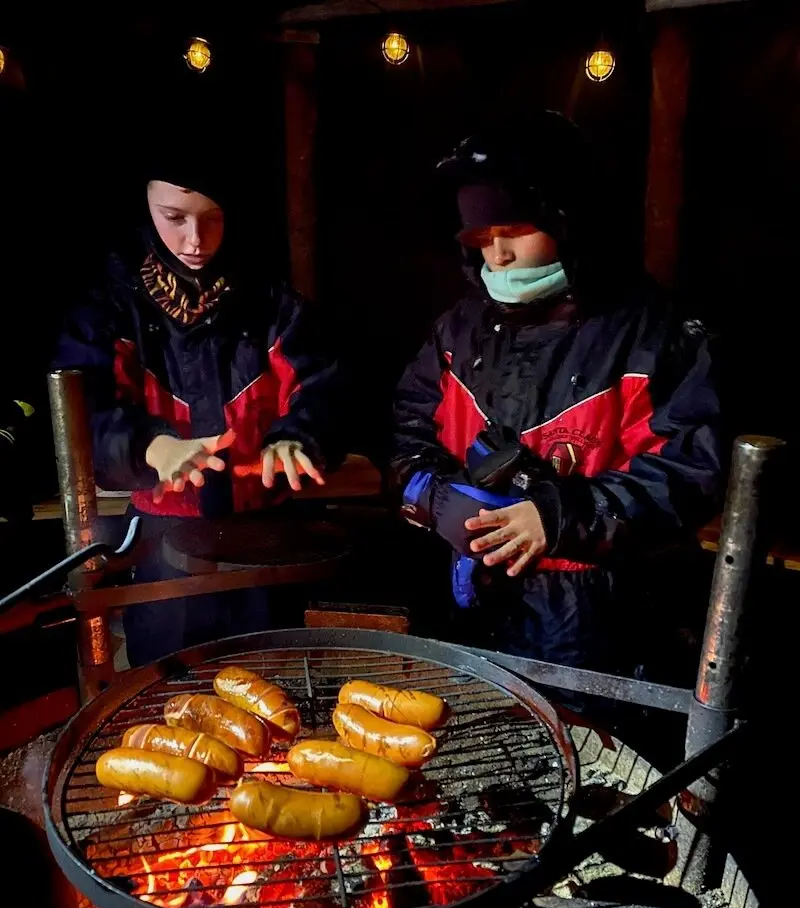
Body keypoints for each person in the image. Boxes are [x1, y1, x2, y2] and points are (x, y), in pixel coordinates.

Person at [393, 112, 722, 678]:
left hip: (603, 620)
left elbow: (695, 467)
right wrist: (436, 498)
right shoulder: (459, 331)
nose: (497, 255)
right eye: (480, 238)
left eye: (513, 231)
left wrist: (560, 514)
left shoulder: (654, 338)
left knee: (594, 754)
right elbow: (409, 429)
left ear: (569, 222)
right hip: (473, 604)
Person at [54, 153, 344, 665]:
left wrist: (297, 436)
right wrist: (150, 444)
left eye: (212, 219)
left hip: (268, 539)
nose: (195, 240)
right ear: (146, 206)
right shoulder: (111, 308)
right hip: (162, 541)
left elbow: (322, 386)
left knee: (274, 683)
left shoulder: (272, 302)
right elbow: (84, 415)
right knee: (169, 694)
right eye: (175, 218)